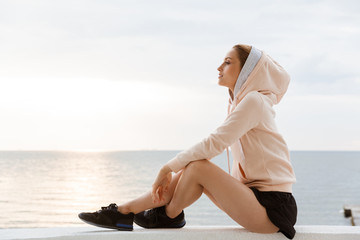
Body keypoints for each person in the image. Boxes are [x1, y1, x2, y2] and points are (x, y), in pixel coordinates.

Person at [78, 44, 297, 239]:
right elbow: (213, 146)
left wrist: (167, 167)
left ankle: (167, 214)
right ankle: (125, 211)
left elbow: (215, 143)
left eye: (228, 62)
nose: (219, 67)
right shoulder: (240, 103)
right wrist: (172, 170)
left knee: (198, 166)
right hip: (252, 199)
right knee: (194, 166)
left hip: (272, 208)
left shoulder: (254, 101)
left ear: (248, 72)